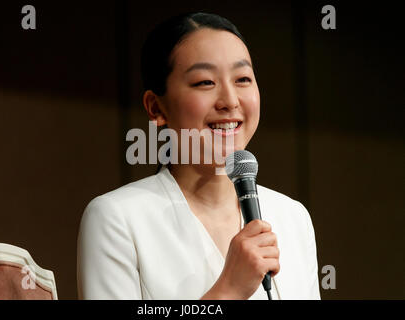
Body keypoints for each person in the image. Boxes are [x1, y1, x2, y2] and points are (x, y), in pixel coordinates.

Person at [77, 12, 320, 300]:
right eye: (205, 82)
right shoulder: (117, 218)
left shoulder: (292, 217)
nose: (230, 101)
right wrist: (229, 290)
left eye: (242, 79)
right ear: (156, 107)